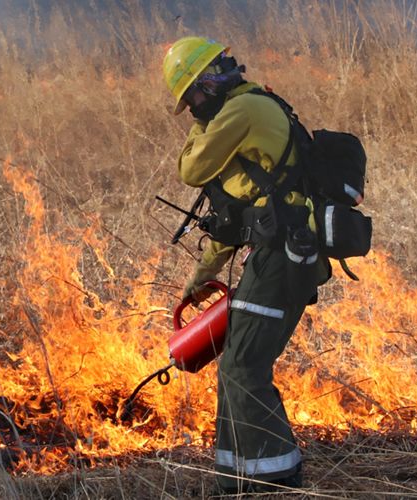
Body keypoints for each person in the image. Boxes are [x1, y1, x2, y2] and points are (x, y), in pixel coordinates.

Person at [161, 36, 329, 493]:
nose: (194, 108)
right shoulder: (236, 116)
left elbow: (190, 169)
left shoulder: (242, 111)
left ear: (209, 83)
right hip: (272, 251)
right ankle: (235, 479)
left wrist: (202, 124)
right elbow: (235, 216)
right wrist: (202, 276)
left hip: (286, 256)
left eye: (193, 97)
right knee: (234, 363)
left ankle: (277, 481)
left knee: (243, 366)